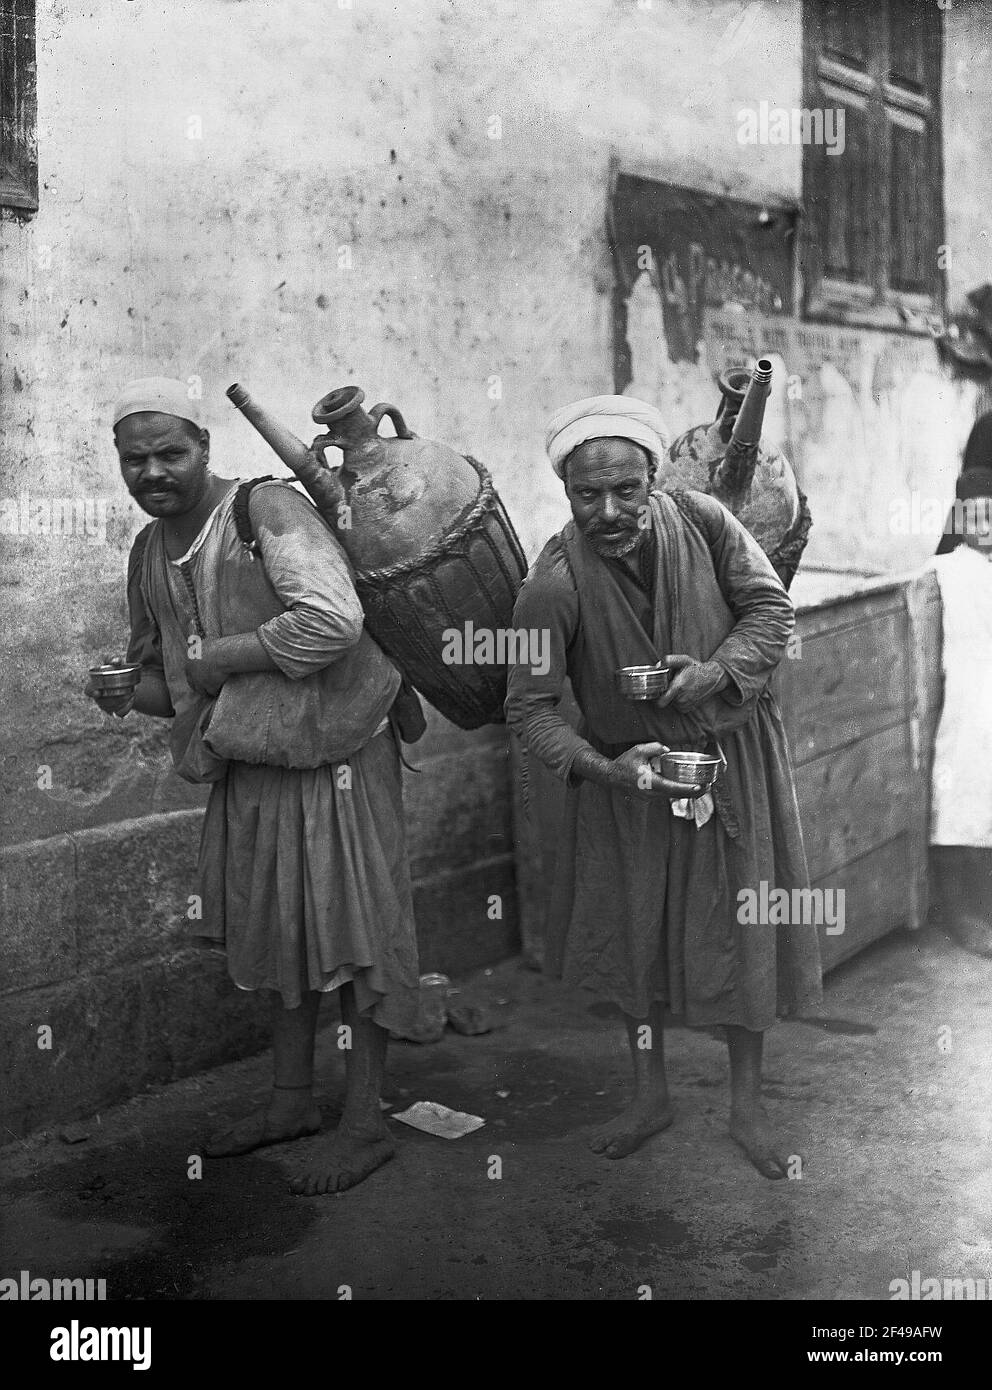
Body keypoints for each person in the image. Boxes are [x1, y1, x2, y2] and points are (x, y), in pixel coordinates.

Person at [84, 377, 421, 1194]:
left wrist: (213, 654)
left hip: (338, 752)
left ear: (205, 447)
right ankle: (292, 1102)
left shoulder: (262, 512)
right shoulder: (148, 551)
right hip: (251, 759)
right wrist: (129, 694)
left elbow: (332, 622)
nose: (154, 471)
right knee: (277, 931)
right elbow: (175, 682)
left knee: (355, 933)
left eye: (171, 452)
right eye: (137, 458)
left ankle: (367, 1122)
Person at [506, 395, 822, 1179]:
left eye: (625, 489)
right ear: (567, 493)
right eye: (587, 495)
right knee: (633, 940)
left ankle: (746, 1108)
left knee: (742, 931)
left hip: (734, 754)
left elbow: (770, 611)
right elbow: (529, 710)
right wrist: (603, 767)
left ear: (654, 479)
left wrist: (717, 671)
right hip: (629, 777)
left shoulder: (708, 521)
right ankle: (650, 1096)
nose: (608, 510)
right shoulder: (548, 585)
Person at [927, 467, 992, 957]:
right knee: (961, 797)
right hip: (968, 700)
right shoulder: (946, 570)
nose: (985, 524)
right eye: (974, 515)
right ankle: (958, 912)